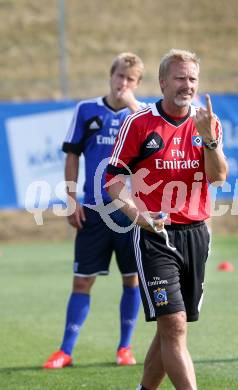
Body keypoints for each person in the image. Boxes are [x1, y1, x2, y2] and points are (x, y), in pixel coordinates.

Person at [106, 49, 228, 390]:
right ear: (162, 82)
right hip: (155, 236)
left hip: (197, 233)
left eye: (192, 79)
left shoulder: (208, 123)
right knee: (174, 326)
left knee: (170, 327)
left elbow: (218, 177)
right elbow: (113, 179)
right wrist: (136, 213)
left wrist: (210, 139)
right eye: (180, 78)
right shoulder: (139, 123)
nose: (187, 85)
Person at [43, 52, 145, 369]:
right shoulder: (86, 110)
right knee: (82, 281)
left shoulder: (141, 116)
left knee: (132, 280)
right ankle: (66, 350)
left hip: (129, 213)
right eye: (119, 77)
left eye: (130, 80)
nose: (122, 84)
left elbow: (153, 149)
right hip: (93, 210)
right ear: (110, 76)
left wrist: (133, 106)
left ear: (137, 83)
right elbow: (72, 155)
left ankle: (124, 348)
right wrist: (71, 199)